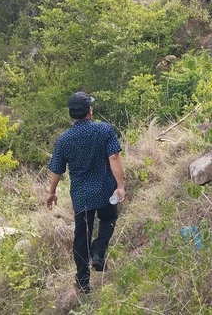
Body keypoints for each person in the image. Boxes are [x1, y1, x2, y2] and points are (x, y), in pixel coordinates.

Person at [46, 92, 126, 294]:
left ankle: (83, 282)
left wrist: (52, 192)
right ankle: (98, 250)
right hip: (105, 189)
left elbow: (56, 169)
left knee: (82, 236)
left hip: (81, 196)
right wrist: (120, 185)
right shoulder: (104, 129)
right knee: (109, 218)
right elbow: (114, 158)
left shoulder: (64, 139)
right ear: (90, 110)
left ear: (70, 113)